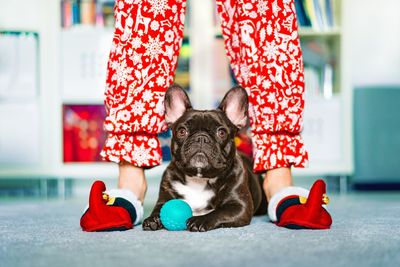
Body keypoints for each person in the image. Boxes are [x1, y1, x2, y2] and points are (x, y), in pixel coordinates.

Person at [80, 0, 332, 232]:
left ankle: (278, 180)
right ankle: (130, 182)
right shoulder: (172, 175)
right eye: (186, 132)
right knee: (147, 13)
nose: (201, 142)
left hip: (231, 187)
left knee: (264, 12)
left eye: (218, 132)